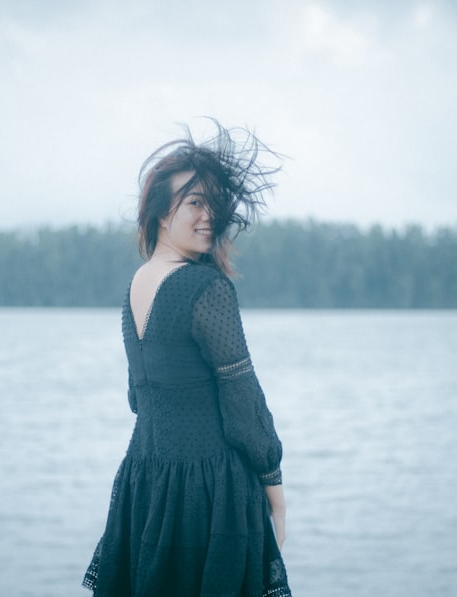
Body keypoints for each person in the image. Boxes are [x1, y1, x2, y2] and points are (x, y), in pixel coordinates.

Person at [83, 121, 291, 597]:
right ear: (160, 211)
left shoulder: (137, 284)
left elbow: (140, 398)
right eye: (195, 201)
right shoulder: (207, 288)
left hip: (147, 482)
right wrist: (275, 492)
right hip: (210, 492)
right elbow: (243, 402)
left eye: (214, 204)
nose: (208, 216)